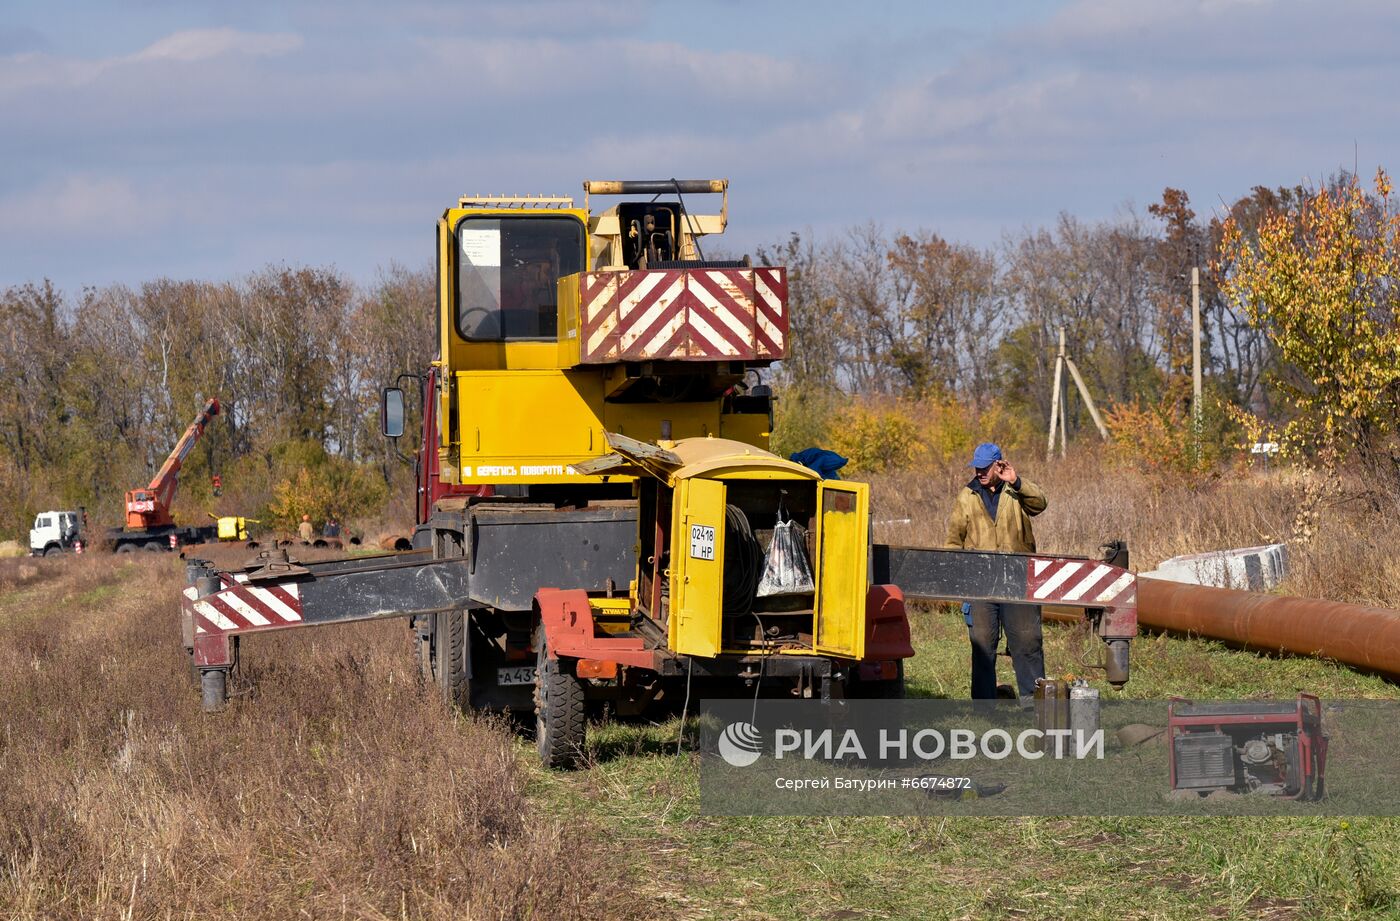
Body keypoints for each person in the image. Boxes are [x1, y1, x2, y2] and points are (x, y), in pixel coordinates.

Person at [944, 442, 1049, 704]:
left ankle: (1032, 702)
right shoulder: (967, 496)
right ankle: (984, 706)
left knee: (1027, 643)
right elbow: (954, 540)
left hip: (1017, 579)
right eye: (976, 467)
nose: (980, 472)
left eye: (985, 467)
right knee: (982, 645)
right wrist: (957, 576)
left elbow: (1040, 504)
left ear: (998, 465)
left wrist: (1016, 481)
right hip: (980, 582)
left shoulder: (1015, 491)